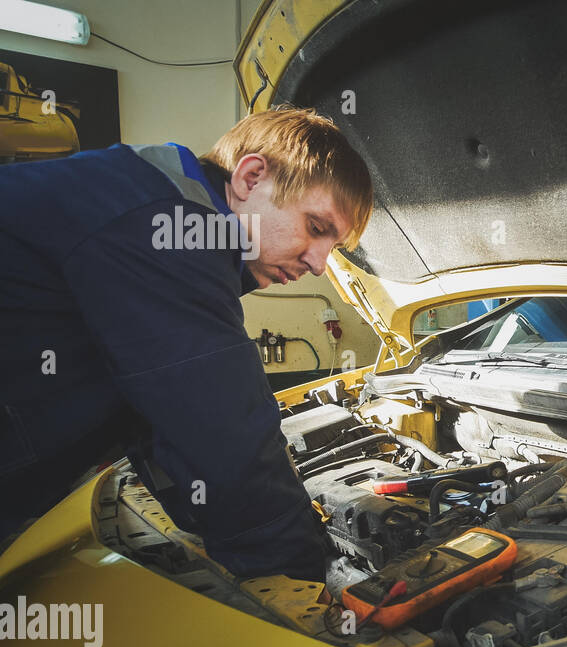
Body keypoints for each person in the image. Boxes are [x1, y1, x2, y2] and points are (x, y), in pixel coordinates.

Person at [0, 105, 373, 582]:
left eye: (333, 248)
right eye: (316, 228)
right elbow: (221, 429)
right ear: (251, 177)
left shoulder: (154, 199)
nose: (319, 265)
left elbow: (160, 420)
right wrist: (300, 579)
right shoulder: (168, 224)